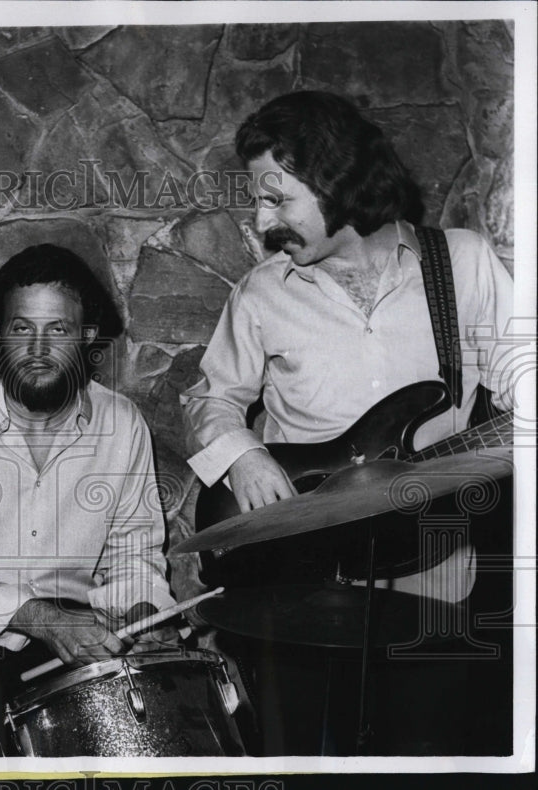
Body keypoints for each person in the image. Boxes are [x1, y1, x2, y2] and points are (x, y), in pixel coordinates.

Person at [181, 92, 516, 755]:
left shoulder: (465, 263)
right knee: (303, 756)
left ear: (336, 181)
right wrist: (243, 455)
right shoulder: (261, 293)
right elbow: (209, 398)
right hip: (299, 580)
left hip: (432, 574)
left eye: (277, 199)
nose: (260, 218)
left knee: (428, 758)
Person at [0, 244, 177, 755]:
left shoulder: (122, 422)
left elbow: (134, 553)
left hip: (78, 633)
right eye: (22, 329)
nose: (39, 349)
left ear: (87, 335)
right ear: (0, 332)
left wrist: (142, 614)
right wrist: (42, 619)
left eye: (59, 330)